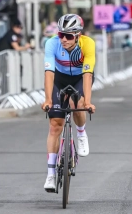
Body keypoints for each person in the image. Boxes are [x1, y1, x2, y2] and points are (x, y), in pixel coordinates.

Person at [41, 14, 96, 192]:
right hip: (60, 79)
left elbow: (87, 75)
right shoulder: (51, 43)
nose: (64, 39)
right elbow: (49, 73)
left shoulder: (88, 44)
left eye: (69, 36)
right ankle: (50, 174)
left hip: (80, 78)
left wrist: (87, 102)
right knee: (55, 125)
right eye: (61, 35)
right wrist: (48, 99)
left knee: (77, 106)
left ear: (78, 35)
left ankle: (81, 133)